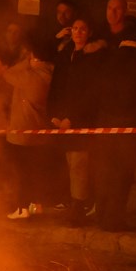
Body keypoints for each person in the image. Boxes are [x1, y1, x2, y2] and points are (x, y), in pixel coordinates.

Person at [91, 0, 136, 231]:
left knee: (123, 170)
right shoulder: (99, 35)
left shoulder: (135, 40)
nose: (113, 13)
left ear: (125, 12)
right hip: (105, 114)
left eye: (118, 9)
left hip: (129, 116)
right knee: (103, 169)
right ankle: (102, 214)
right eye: (109, 8)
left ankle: (114, 217)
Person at [48, 18, 104, 225]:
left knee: (79, 164)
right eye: (75, 29)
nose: (78, 32)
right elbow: (57, 86)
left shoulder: (93, 58)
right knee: (70, 163)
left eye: (83, 29)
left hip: (81, 120)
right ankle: (72, 202)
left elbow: (90, 93)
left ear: (89, 33)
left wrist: (73, 118)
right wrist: (54, 114)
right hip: (61, 119)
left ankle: (79, 207)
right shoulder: (65, 55)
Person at [0, 35, 55, 219]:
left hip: (23, 132)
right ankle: (35, 205)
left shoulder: (30, 76)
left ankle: (22, 208)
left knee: (21, 173)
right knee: (34, 171)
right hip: (39, 133)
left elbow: (7, 73)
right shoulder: (49, 72)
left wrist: (26, 61)